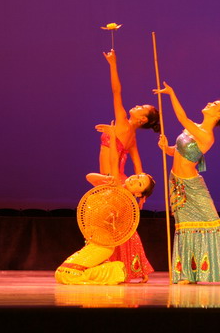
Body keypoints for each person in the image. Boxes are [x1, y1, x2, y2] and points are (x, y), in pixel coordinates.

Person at [155, 81, 220, 285]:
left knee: (215, 225)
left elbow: (182, 117)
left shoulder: (205, 135)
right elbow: (177, 152)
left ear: (219, 115)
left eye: (215, 104)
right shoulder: (193, 129)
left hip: (193, 187)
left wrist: (171, 93)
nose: (210, 103)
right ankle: (188, 274)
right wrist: (165, 148)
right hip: (176, 183)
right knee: (184, 228)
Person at [55, 123, 155, 285]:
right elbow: (113, 159)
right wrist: (113, 136)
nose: (134, 179)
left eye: (139, 183)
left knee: (68, 273)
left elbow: (123, 232)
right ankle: (115, 271)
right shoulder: (115, 183)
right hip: (94, 238)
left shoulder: (127, 201)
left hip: (105, 240)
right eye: (137, 177)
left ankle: (119, 272)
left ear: (138, 194)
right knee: (63, 273)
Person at [97, 49, 159, 282]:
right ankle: (130, 266)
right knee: (119, 225)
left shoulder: (123, 123)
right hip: (116, 177)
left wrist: (113, 64)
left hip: (112, 177)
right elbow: (138, 165)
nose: (138, 105)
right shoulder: (132, 136)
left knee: (116, 225)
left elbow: (116, 91)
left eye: (142, 107)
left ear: (142, 119)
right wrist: (141, 194)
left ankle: (127, 266)